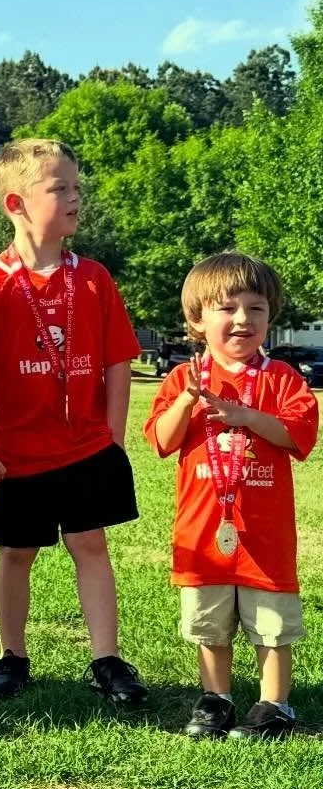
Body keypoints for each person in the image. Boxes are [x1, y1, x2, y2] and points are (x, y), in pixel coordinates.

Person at [0, 139, 147, 704]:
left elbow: (117, 360)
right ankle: (12, 655)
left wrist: (112, 433)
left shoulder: (94, 279)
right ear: (16, 203)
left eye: (76, 188)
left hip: (86, 447)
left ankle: (106, 659)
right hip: (17, 451)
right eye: (59, 188)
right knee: (16, 553)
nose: (74, 198)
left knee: (91, 544)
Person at [144, 253, 318, 740]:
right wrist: (186, 400)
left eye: (256, 308)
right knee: (210, 625)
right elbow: (161, 439)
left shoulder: (281, 377)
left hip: (264, 536)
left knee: (271, 626)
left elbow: (299, 434)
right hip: (203, 535)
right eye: (228, 308)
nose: (243, 319)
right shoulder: (184, 378)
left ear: (270, 315)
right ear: (198, 320)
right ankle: (215, 699)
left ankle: (274, 705)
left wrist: (247, 417)